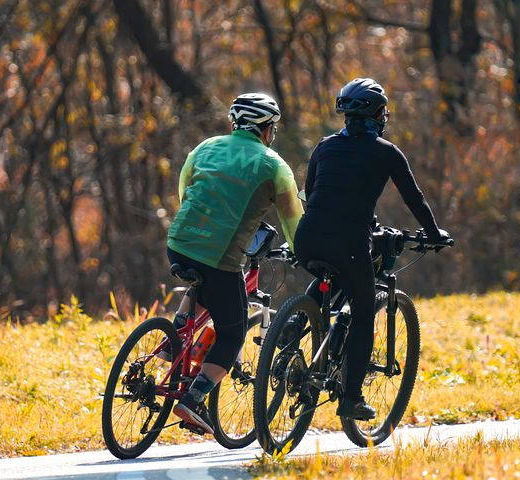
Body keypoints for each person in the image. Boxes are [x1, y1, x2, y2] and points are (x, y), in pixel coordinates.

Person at [294, 78, 451, 420]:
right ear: (377, 114)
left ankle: (292, 330)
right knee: (364, 313)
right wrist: (434, 233)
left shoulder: (324, 146)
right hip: (349, 243)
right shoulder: (386, 151)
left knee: (326, 276)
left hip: (307, 238)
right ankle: (351, 399)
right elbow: (415, 198)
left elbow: (312, 192)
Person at [167, 93, 303, 434]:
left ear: (234, 122)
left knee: (203, 285)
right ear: (266, 129)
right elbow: (292, 219)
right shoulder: (273, 165)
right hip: (220, 256)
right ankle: (192, 400)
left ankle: (173, 339)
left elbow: (185, 190)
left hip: (178, 243)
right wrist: (302, 250)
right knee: (232, 333)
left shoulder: (205, 147)